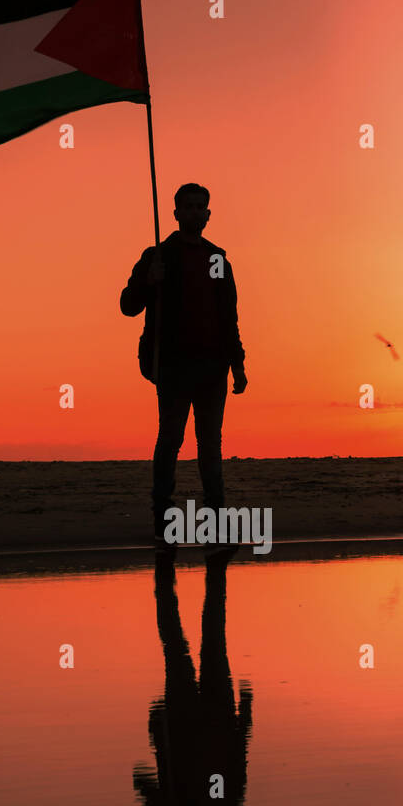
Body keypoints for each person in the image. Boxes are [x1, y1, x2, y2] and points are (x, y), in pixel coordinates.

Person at [120, 183, 247, 540]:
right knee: (171, 439)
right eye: (187, 207)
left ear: (208, 214)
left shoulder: (217, 260)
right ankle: (162, 516)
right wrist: (149, 280)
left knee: (210, 444)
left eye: (200, 207)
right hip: (173, 365)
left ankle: (215, 519)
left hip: (212, 367)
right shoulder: (158, 256)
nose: (194, 212)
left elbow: (228, 316)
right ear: (175, 213)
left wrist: (237, 363)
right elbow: (128, 306)